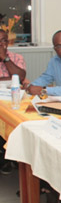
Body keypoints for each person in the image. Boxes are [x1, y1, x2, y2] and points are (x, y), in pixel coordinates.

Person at [0, 29, 27, 175]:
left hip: (14, 102)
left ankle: (12, 158)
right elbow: (16, 80)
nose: (1, 45)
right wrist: (11, 80)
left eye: (4, 41)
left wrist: (6, 59)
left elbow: (21, 77)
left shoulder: (16, 58)